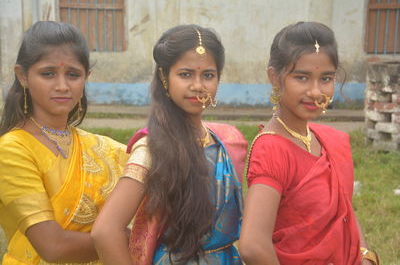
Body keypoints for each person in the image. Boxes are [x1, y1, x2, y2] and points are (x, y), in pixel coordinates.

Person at [91, 24, 244, 265]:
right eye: (185, 74)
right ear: (164, 77)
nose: (198, 85)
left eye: (208, 75)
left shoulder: (221, 141)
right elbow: (105, 231)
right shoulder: (153, 148)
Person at [239, 22, 379, 265]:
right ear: (274, 77)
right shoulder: (272, 149)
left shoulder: (329, 140)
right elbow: (252, 246)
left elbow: (345, 209)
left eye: (326, 78)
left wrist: (366, 257)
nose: (316, 91)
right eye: (302, 78)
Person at [0, 21, 128, 264]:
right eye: (48, 73)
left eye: (73, 74)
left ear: (86, 77)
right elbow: (54, 247)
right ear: (23, 76)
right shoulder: (12, 149)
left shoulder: (101, 147)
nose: (62, 86)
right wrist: (133, 239)